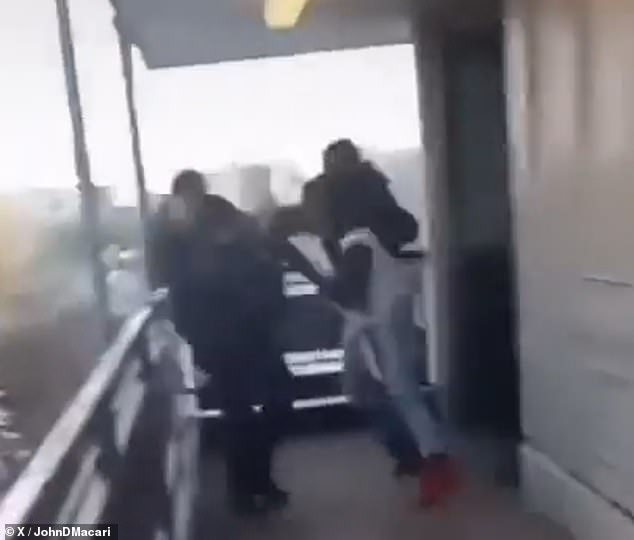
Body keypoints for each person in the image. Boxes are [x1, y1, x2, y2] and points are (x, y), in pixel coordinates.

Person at [307, 140, 460, 506]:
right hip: (391, 313)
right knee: (394, 389)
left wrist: (317, 279)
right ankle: (425, 457)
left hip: (375, 321)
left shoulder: (355, 239)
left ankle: (431, 460)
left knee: (391, 392)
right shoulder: (376, 224)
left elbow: (350, 293)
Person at [149, 170, 292, 515]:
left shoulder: (218, 214)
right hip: (220, 334)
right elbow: (170, 277)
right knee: (243, 409)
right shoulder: (170, 231)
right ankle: (250, 486)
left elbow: (257, 244)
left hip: (244, 327)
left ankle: (253, 481)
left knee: (270, 402)